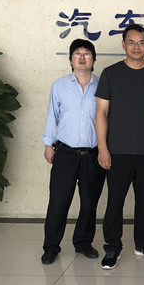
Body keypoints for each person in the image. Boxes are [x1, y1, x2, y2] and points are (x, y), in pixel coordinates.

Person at [95, 24, 144, 270]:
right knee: (115, 201)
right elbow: (101, 113)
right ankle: (112, 247)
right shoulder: (110, 73)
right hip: (117, 150)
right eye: (132, 42)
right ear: (123, 44)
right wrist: (103, 148)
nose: (137, 47)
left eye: (141, 42)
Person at [40, 39, 106, 265]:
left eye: (87, 54)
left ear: (94, 60)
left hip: (93, 154)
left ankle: (83, 243)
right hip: (65, 153)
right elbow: (52, 116)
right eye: (77, 54)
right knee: (58, 202)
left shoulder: (103, 85)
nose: (82, 58)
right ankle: (51, 247)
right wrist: (48, 145)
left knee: (89, 202)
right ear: (70, 59)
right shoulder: (59, 86)